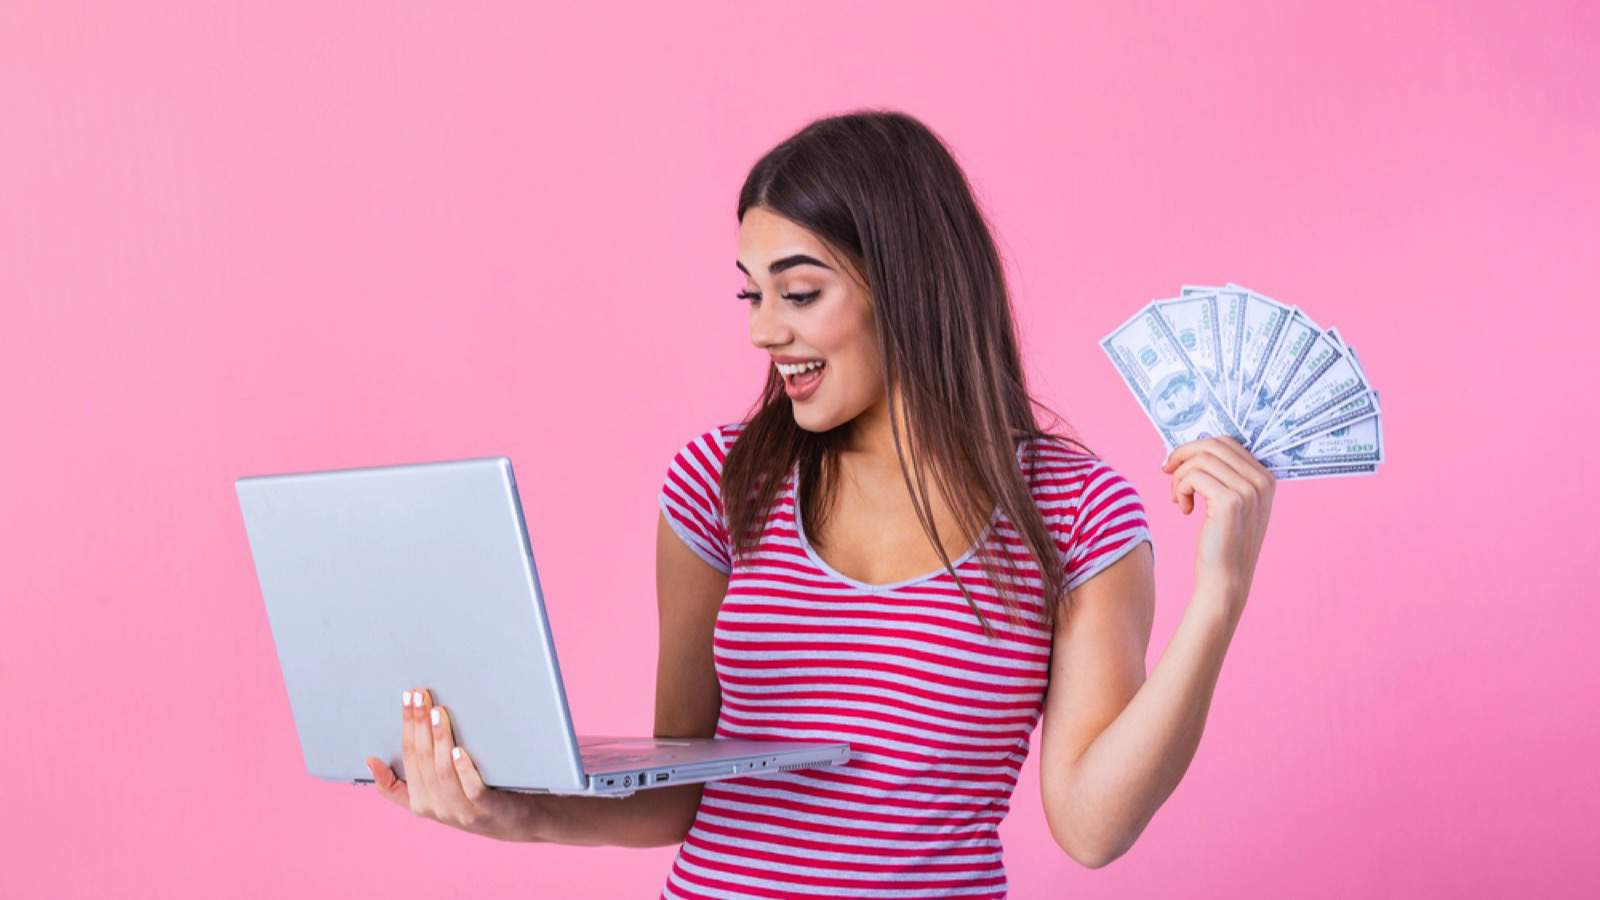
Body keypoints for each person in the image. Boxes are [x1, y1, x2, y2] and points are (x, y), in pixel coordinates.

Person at [364, 109, 1276, 898]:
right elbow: (678, 789)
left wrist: (1219, 597)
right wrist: (504, 811)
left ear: (907, 285)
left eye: (799, 292)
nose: (765, 330)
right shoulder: (719, 486)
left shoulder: (1074, 510)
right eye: (752, 294)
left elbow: (1091, 826)